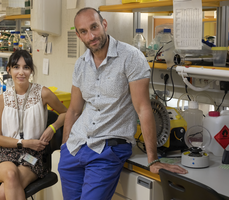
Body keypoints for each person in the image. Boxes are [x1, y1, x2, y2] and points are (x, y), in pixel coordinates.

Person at [58, 7, 188, 200]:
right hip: (75, 147)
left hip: (107, 148)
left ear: (104, 24)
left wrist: (153, 159)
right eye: (84, 31)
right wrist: (64, 147)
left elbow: (144, 109)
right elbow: (75, 110)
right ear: (78, 35)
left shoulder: (131, 57)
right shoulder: (81, 64)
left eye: (94, 27)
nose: (91, 35)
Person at [0, 50, 67, 200]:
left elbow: (66, 113)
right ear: (9, 69)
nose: (21, 72)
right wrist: (25, 142)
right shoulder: (1, 100)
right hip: (5, 154)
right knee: (10, 174)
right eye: (16, 67)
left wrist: (52, 127)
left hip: (32, 156)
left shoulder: (43, 93)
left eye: (26, 67)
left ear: (31, 71)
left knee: (4, 193)